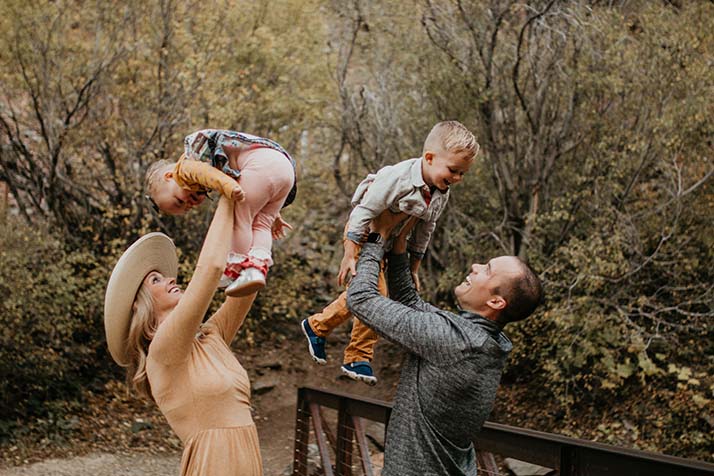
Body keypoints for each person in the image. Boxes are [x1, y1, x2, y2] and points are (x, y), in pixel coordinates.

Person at [346, 212, 544, 476]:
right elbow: (410, 303)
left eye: (487, 270)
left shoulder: (455, 341)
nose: (475, 266)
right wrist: (398, 245)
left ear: (496, 302)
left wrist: (376, 238)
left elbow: (360, 299)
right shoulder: (481, 340)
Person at [300, 121, 479, 384]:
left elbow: (425, 229)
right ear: (429, 158)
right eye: (453, 170)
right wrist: (349, 253)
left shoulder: (441, 192)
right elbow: (363, 212)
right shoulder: (398, 177)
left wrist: (414, 267)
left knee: (360, 294)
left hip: (388, 242)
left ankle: (317, 326)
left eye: (462, 174)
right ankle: (358, 356)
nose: (457, 179)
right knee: (375, 294)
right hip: (363, 233)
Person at [104, 197, 263, 475]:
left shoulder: (212, 335)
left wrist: (261, 216)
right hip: (214, 465)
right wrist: (227, 194)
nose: (170, 279)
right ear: (140, 304)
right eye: (156, 280)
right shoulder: (162, 351)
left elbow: (250, 283)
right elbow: (211, 269)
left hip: (247, 462)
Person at [145, 129, 296, 297]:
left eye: (180, 200)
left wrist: (231, 188)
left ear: (169, 176)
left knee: (240, 220)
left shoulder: (185, 168)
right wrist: (275, 216)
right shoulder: (201, 166)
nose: (190, 202)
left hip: (260, 166)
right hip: (284, 169)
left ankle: (234, 269)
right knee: (262, 224)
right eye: (188, 207)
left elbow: (211, 176)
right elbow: (264, 187)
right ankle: (257, 268)